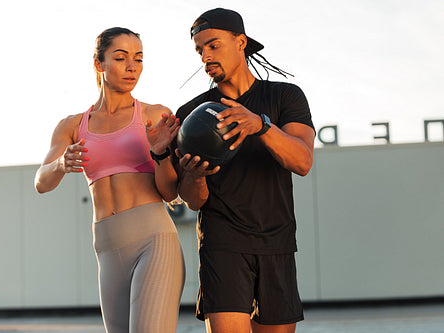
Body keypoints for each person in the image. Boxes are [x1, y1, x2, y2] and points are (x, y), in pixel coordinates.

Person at [172, 8, 315, 333]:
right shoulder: (191, 115)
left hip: (276, 243)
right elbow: (193, 201)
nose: (205, 56)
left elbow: (302, 161)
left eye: (213, 45)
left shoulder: (284, 97)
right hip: (222, 244)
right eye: (199, 50)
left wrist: (261, 126)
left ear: (240, 42)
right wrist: (193, 176)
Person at [34, 27, 185, 333]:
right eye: (120, 57)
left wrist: (160, 153)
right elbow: (41, 181)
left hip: (154, 240)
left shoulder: (155, 116)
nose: (132, 66)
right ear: (98, 63)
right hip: (106, 247)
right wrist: (62, 163)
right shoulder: (73, 125)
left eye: (139, 59)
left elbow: (170, 193)